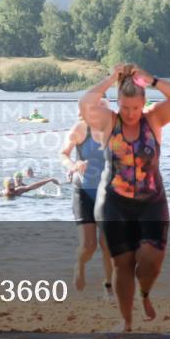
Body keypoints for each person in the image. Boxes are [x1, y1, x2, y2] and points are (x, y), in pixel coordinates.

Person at [80, 63, 170, 332]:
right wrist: (109, 79)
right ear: (118, 104)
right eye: (125, 108)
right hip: (115, 202)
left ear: (143, 104)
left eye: (135, 108)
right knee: (123, 263)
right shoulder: (109, 121)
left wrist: (151, 80)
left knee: (151, 260)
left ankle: (145, 293)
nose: (130, 114)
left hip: (151, 201)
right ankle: (126, 322)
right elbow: (85, 103)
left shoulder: (153, 119)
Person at [60, 103, 114, 294]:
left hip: (107, 194)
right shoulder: (81, 129)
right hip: (83, 191)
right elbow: (63, 154)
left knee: (107, 244)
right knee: (88, 246)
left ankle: (109, 287)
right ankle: (79, 265)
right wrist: (74, 165)